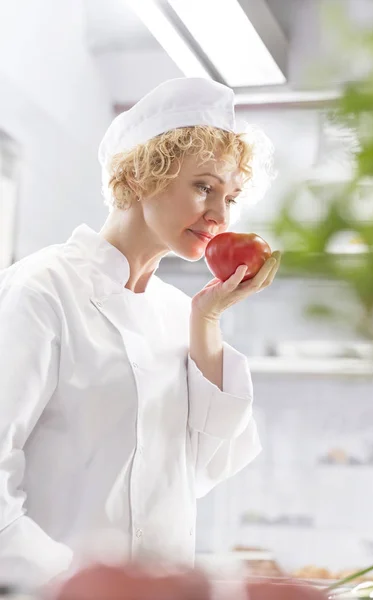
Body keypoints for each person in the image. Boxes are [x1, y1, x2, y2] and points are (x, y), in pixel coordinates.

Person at [0, 77, 281, 588]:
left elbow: (203, 468)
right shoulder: (41, 292)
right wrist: (70, 581)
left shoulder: (178, 313)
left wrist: (208, 322)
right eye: (204, 187)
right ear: (138, 176)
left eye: (231, 197)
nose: (220, 214)